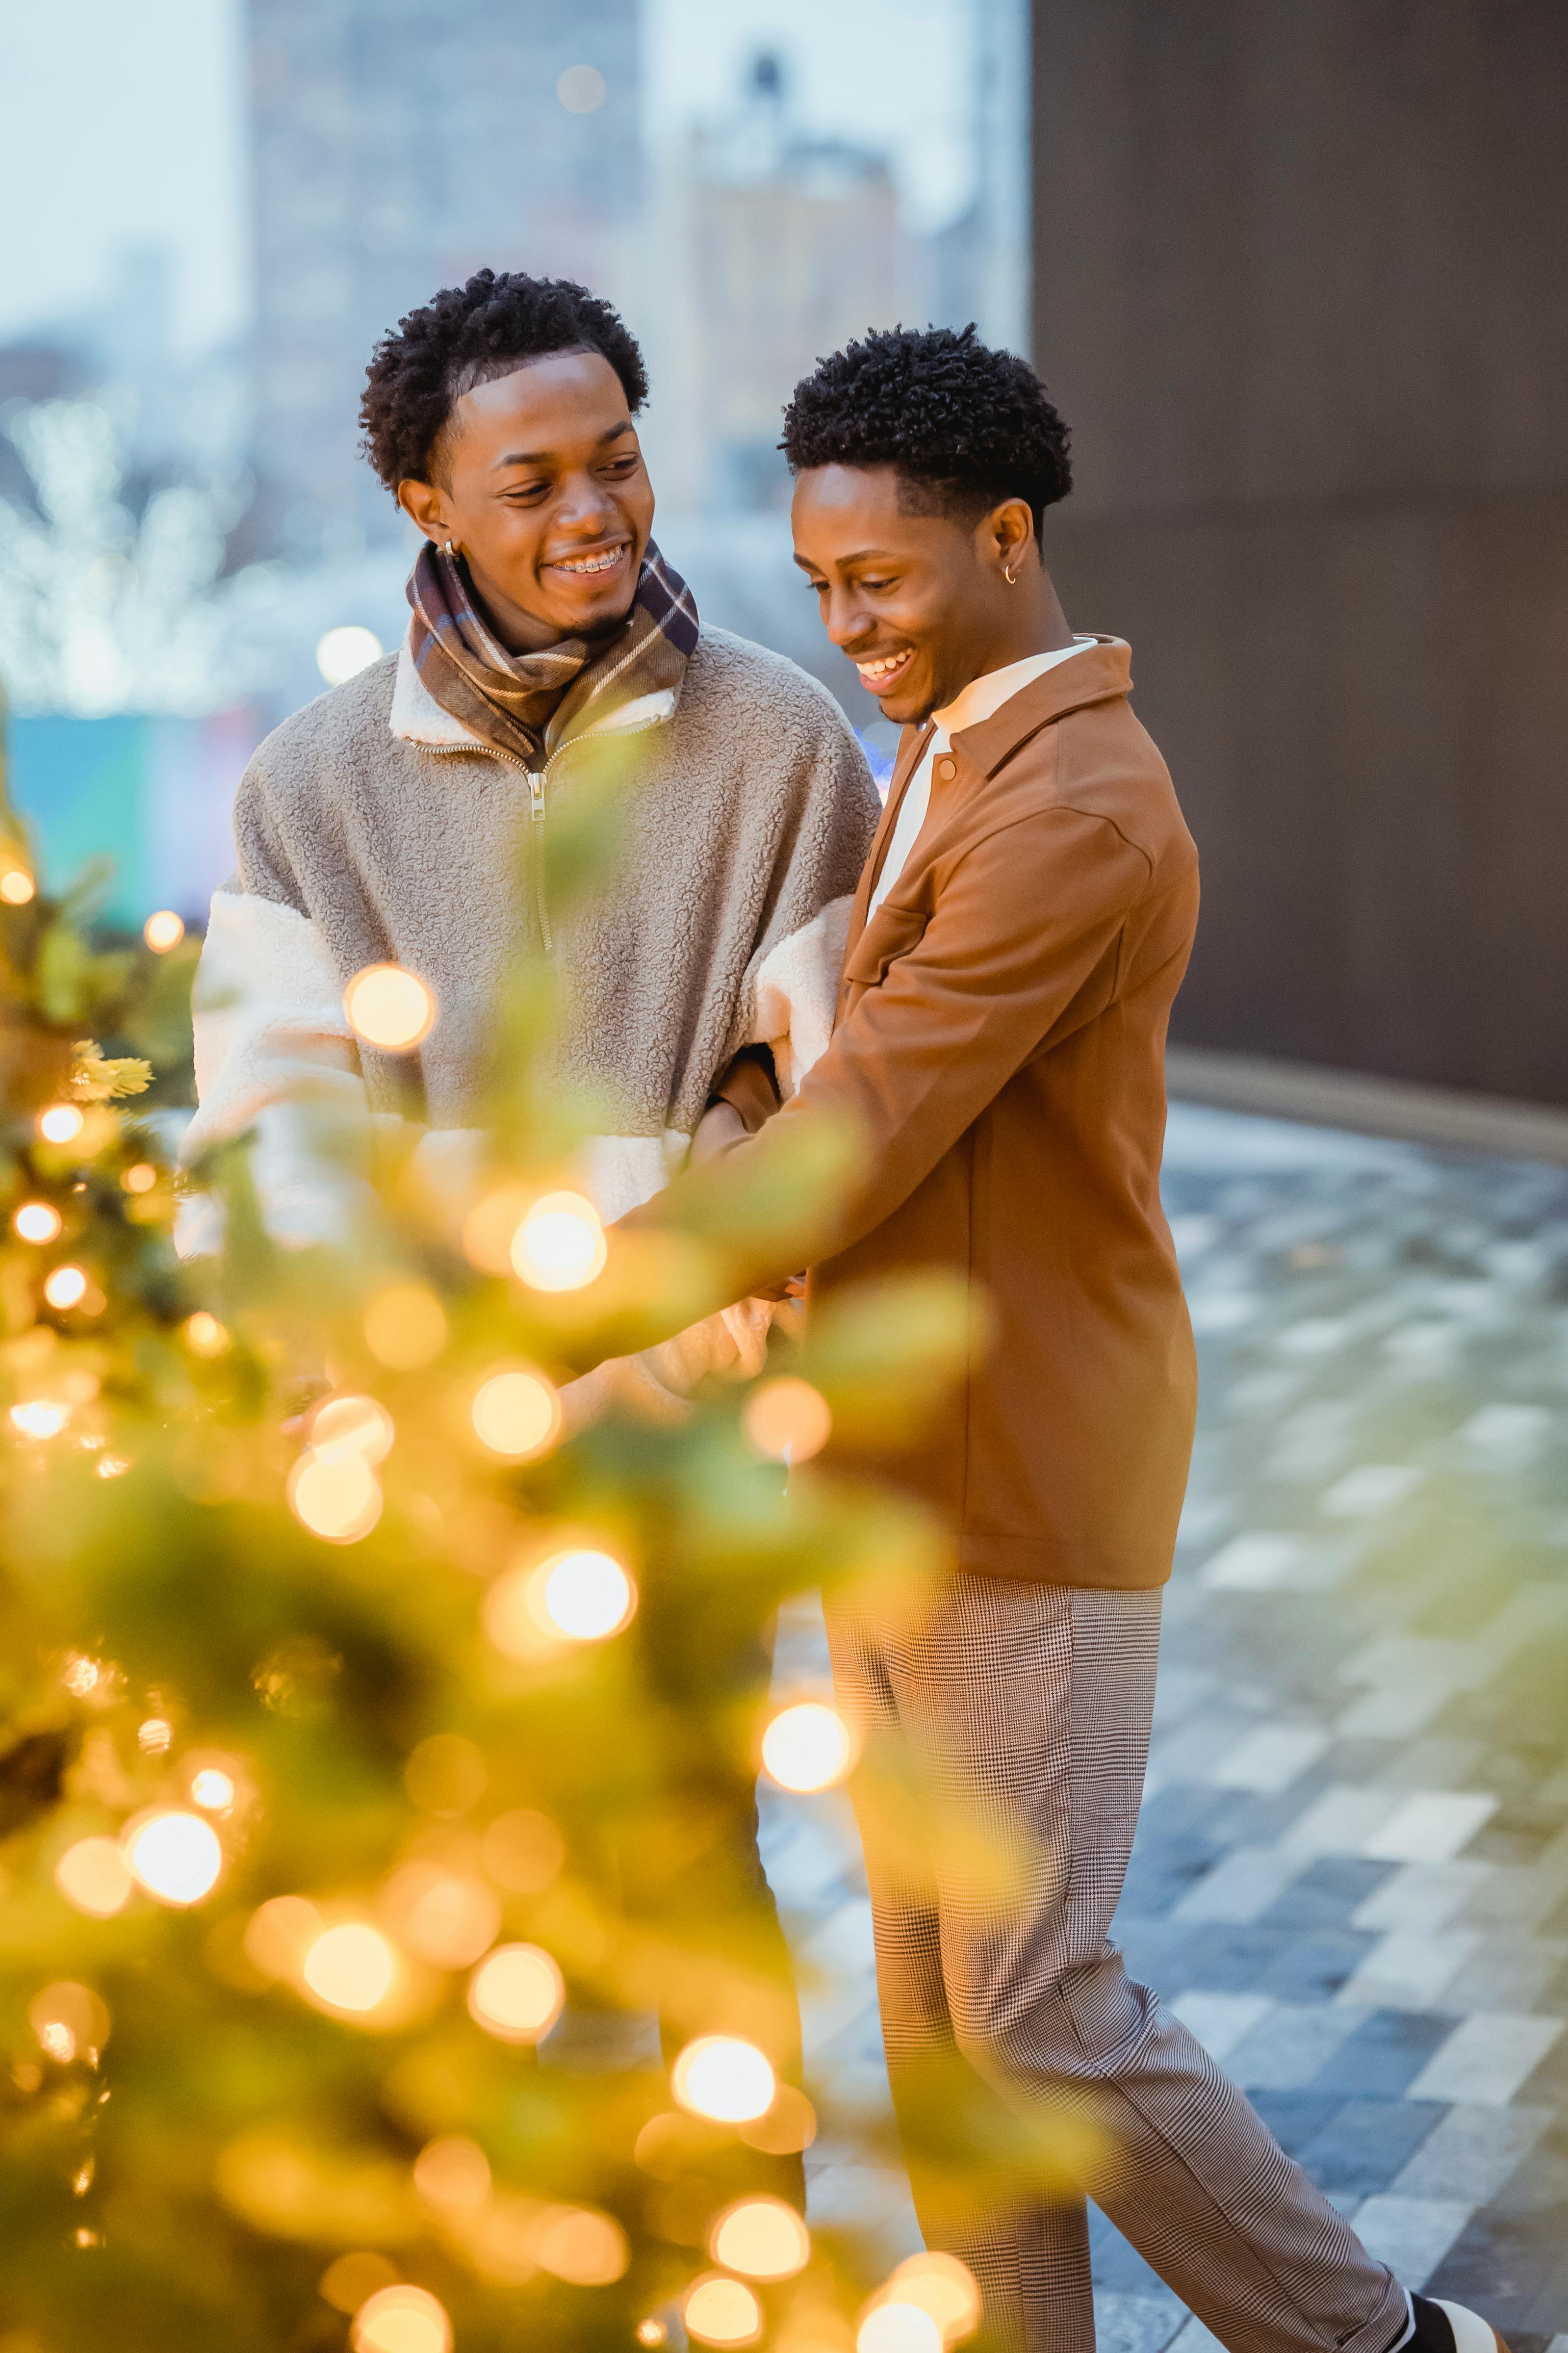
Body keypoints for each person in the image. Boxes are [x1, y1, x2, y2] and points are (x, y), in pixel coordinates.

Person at [619, 326, 1506, 2353]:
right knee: (942, 2023)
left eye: (880, 582)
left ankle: (1376, 2337)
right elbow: (819, 1031)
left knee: (1037, 1995)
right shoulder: (948, 744)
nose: (844, 629)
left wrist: (589, 1277)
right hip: (883, 1441)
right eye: (818, 584)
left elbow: (881, 1105)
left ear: (1007, 537)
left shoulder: (1079, 798)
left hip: (1029, 1451)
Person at [180, 268, 877, 1433]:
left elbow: (841, 1095)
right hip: (407, 1442)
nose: (594, 512)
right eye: (531, 484)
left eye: (617, 461)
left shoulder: (784, 741)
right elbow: (274, 1130)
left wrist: (725, 1342)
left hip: (690, 1461)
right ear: (428, 505)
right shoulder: (307, 786)